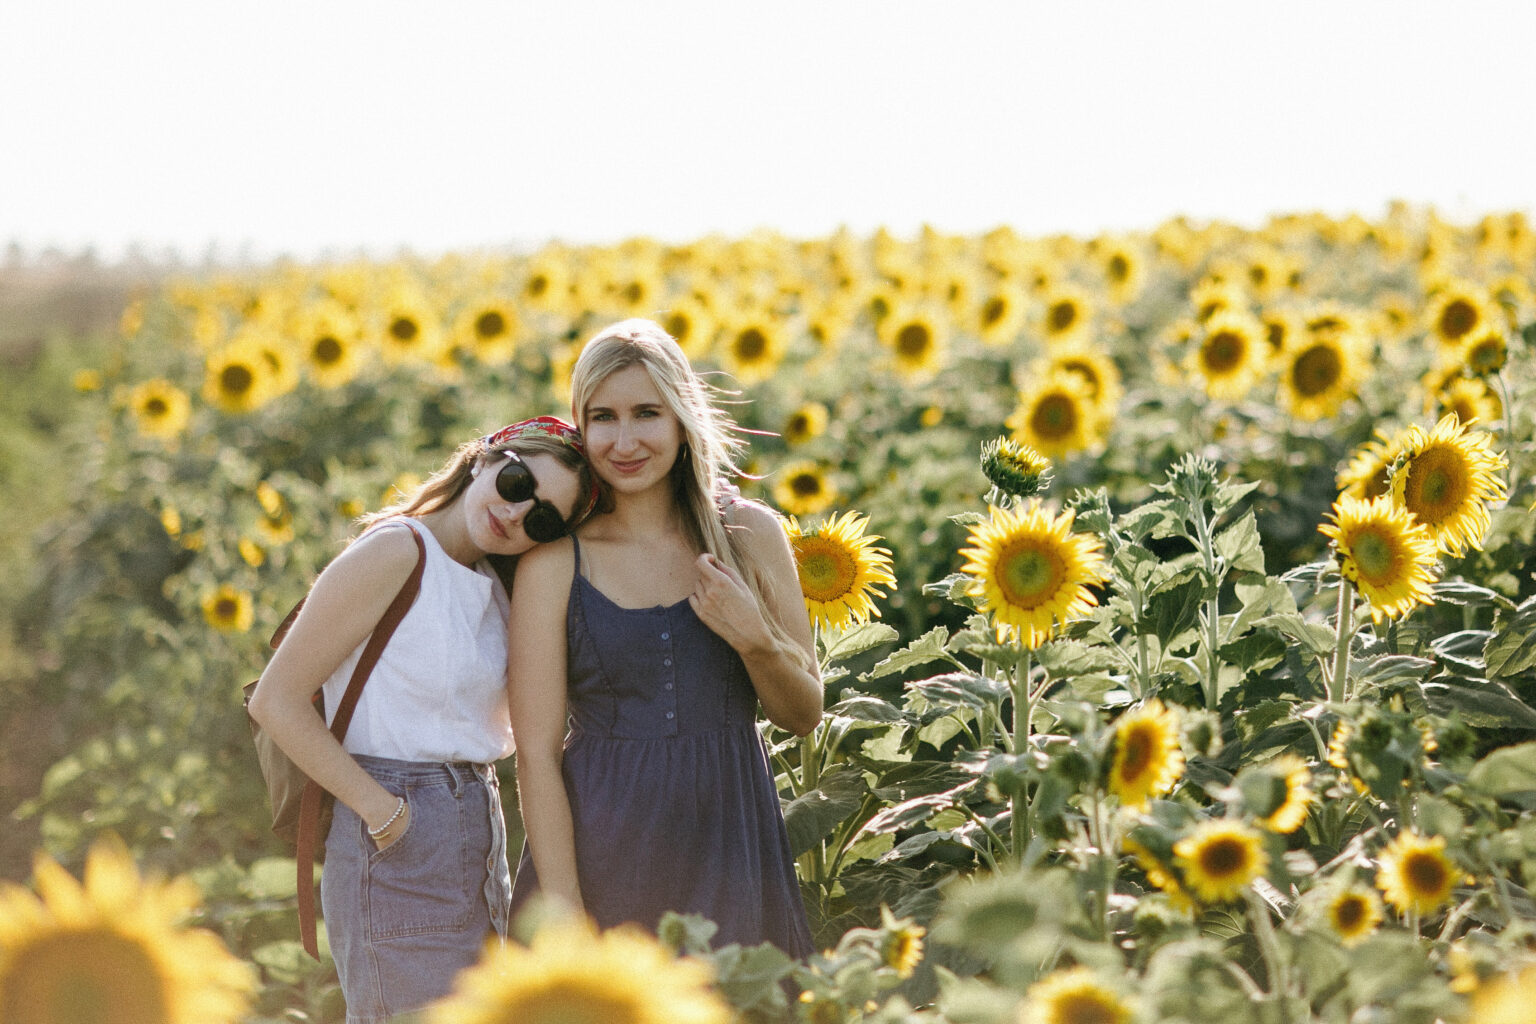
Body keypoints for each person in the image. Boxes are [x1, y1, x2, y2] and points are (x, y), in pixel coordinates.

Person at [246, 416, 601, 1024]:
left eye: (542, 519)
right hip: (396, 830)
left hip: (473, 828)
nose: (517, 515)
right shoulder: (397, 550)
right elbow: (275, 699)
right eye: (518, 484)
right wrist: (385, 814)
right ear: (488, 456)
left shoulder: (492, 583)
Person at [508, 318, 822, 957]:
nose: (624, 441)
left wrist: (756, 641)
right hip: (602, 846)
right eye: (603, 417)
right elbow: (535, 752)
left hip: (732, 843)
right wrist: (563, 908)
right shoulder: (553, 563)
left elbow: (803, 715)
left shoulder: (750, 536)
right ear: (580, 425)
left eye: (646, 413)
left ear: (682, 418)